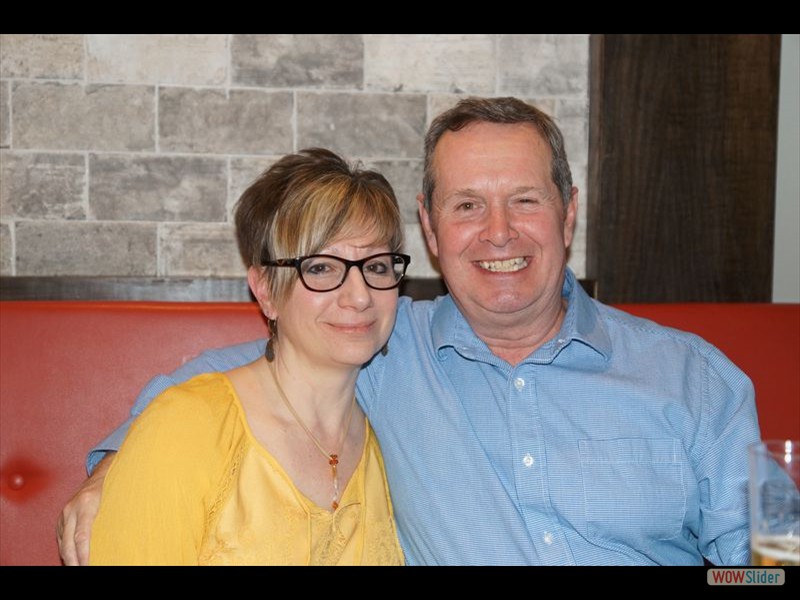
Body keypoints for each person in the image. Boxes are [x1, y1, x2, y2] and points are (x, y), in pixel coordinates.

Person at [59, 97, 759, 566]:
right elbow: (222, 390)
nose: (498, 233)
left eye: (524, 200)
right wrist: (113, 474)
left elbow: (765, 568)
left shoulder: (695, 381)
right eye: (466, 206)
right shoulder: (381, 350)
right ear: (429, 228)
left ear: (568, 213)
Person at [87, 148, 407, 565]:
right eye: (322, 268)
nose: (360, 295)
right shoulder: (185, 427)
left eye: (378, 266)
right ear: (266, 290)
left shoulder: (390, 446)